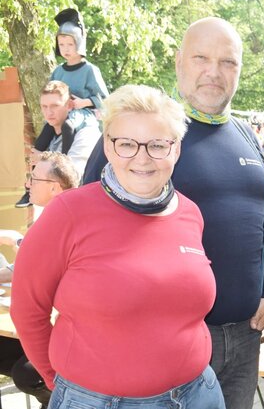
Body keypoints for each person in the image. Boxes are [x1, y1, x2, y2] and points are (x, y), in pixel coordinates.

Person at [82, 17, 264, 409]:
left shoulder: (246, 135)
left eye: (228, 62)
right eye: (201, 58)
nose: (214, 72)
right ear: (179, 61)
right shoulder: (145, 134)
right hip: (166, 342)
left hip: (244, 336)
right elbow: (87, 227)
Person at [10, 84, 225, 409]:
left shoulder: (190, 213)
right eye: (126, 144)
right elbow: (27, 310)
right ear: (108, 147)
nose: (142, 158)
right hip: (100, 401)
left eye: (157, 145)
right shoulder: (68, 213)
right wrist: (64, 385)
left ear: (176, 149)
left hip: (198, 394)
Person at [0, 151, 79, 408]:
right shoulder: (49, 218)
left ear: (54, 187)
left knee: (26, 373)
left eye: (33, 178)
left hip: (69, 337)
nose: (27, 184)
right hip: (48, 328)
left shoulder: (71, 221)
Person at [16, 8, 108, 208]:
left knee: (67, 125)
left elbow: (103, 99)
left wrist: (82, 102)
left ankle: (62, 165)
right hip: (62, 114)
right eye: (62, 44)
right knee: (42, 137)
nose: (66, 49)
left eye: (70, 44)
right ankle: (29, 188)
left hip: (80, 114)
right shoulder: (58, 71)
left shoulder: (89, 70)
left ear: (79, 43)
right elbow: (51, 91)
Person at [16, 80, 100, 208]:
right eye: (44, 106)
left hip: (87, 205)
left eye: (55, 106)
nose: (49, 112)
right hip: (62, 204)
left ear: (69, 106)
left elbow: (72, 176)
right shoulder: (51, 133)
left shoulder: (86, 133)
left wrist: (42, 159)